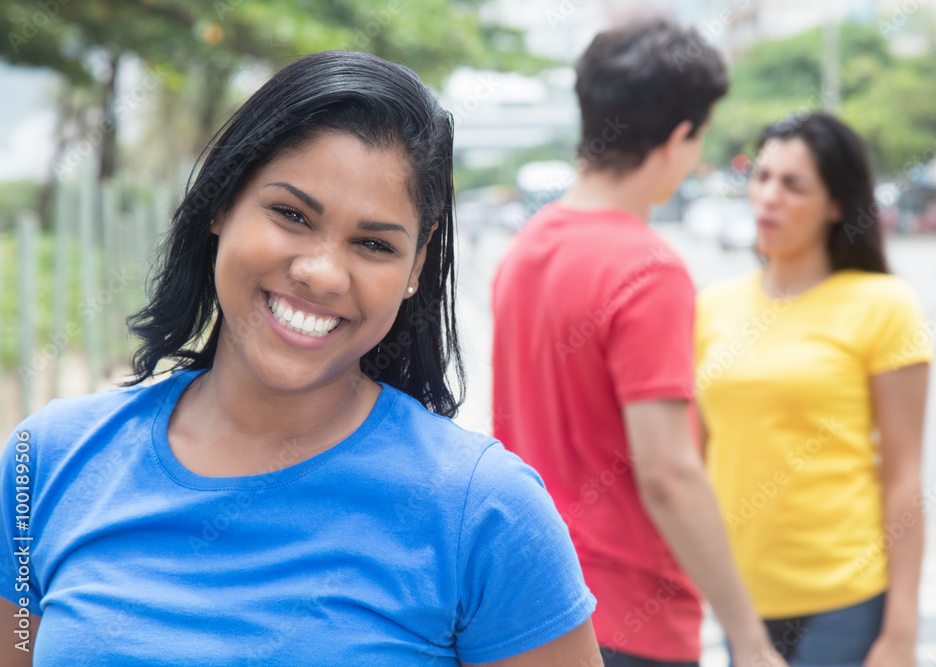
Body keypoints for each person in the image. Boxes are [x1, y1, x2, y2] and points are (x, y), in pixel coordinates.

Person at [0, 50, 602, 666]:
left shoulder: (486, 513)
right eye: (291, 214)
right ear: (221, 203)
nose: (320, 273)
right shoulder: (46, 462)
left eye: (372, 243)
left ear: (415, 268)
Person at [492, 18, 788, 667]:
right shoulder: (647, 270)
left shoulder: (525, 249)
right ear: (680, 137)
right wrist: (751, 636)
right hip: (628, 622)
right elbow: (670, 472)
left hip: (524, 607)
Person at [695, 113, 932, 666]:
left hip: (847, 593)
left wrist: (901, 633)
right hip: (742, 600)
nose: (768, 197)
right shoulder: (713, 308)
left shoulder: (883, 305)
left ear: (835, 205)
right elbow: (697, 461)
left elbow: (904, 477)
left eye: (793, 185)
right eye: (762, 177)